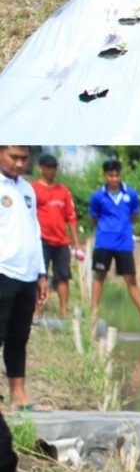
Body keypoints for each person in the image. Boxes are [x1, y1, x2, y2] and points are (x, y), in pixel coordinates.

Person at [0, 146, 50, 412]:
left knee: (19, 337)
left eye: (23, 158)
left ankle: (18, 395)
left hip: (27, 272)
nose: (19, 164)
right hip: (3, 270)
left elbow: (34, 231)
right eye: (13, 157)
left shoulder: (27, 189)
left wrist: (41, 273)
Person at [88, 159, 140, 325]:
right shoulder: (98, 196)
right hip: (104, 241)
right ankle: (93, 314)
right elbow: (94, 217)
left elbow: (134, 215)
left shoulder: (131, 194)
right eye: (110, 175)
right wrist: (107, 228)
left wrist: (123, 227)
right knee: (100, 276)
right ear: (105, 176)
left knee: (131, 279)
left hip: (124, 243)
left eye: (117, 175)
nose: (114, 179)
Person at [32, 152, 82, 318]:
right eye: (48, 167)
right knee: (39, 275)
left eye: (54, 167)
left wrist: (76, 243)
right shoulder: (34, 189)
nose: (51, 171)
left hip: (61, 241)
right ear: (41, 168)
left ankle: (63, 312)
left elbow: (71, 217)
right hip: (41, 239)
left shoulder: (63, 191)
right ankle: (36, 311)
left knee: (63, 276)